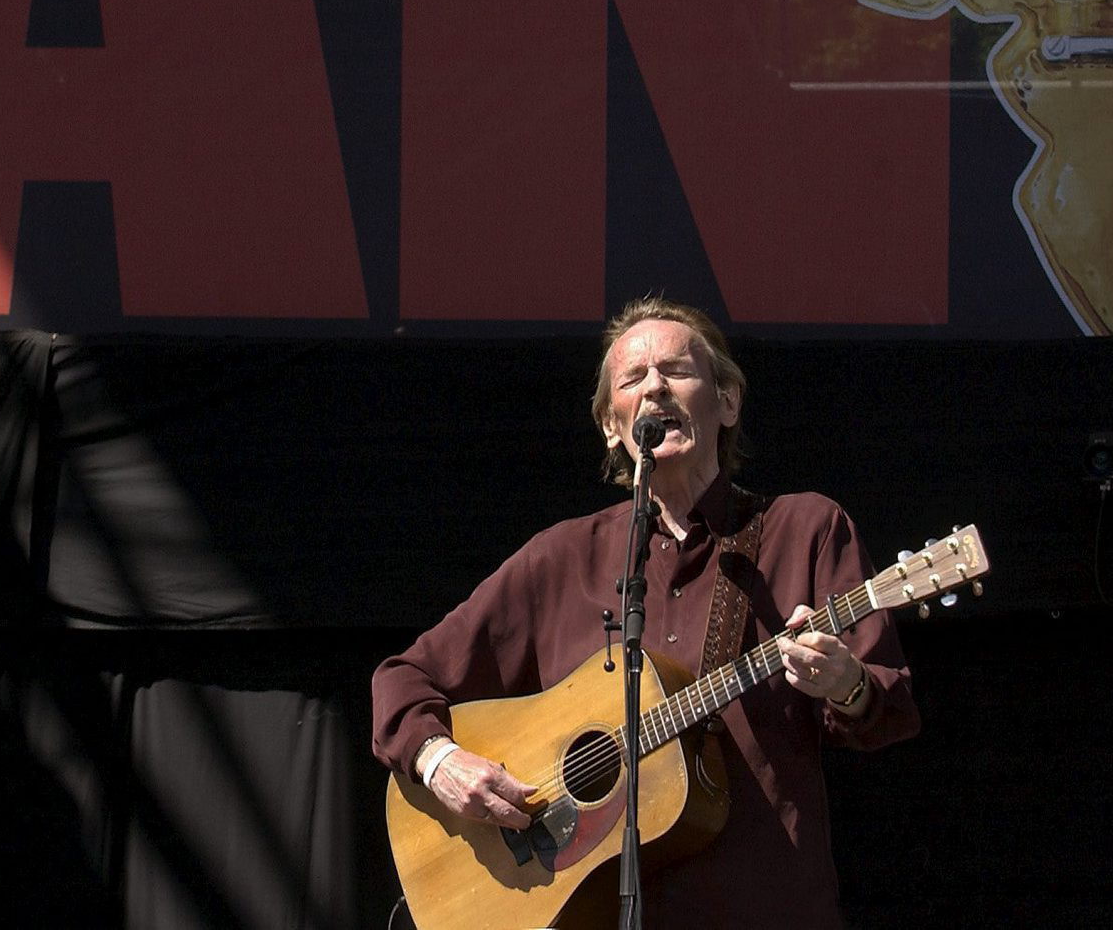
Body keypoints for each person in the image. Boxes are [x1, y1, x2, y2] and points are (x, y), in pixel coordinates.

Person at [371, 297, 918, 929]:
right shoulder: (562, 559)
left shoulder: (806, 530)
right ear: (613, 426)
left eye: (677, 370)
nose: (655, 386)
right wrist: (441, 763)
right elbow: (403, 678)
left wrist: (847, 684)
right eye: (633, 379)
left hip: (761, 906)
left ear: (728, 402)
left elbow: (889, 709)